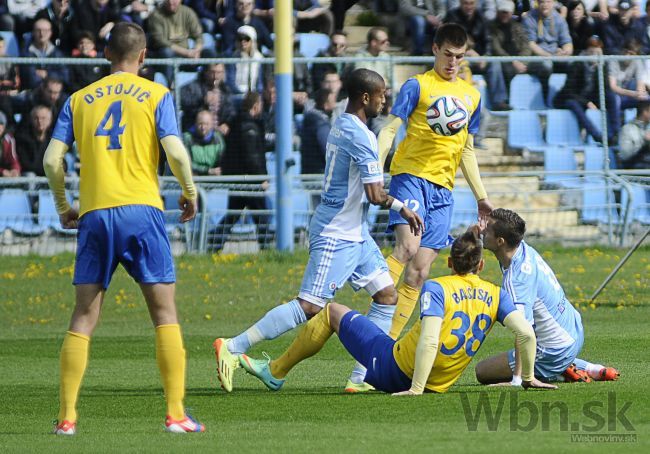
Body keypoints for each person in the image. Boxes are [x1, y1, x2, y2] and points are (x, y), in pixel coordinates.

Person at [212, 69, 424, 393]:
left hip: (356, 232)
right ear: (366, 97)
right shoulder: (362, 136)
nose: (385, 100)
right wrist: (404, 208)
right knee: (309, 306)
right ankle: (234, 346)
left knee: (386, 294)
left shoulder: (341, 121)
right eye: (382, 94)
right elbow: (375, 194)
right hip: (337, 233)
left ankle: (362, 377)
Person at [42, 21, 204, 435]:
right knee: (164, 313)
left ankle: (67, 418)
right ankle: (175, 414)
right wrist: (189, 192)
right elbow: (175, 151)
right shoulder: (156, 94)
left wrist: (64, 207)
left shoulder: (79, 99)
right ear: (144, 55)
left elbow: (50, 160)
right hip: (142, 211)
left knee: (82, 316)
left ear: (105, 54)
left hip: (95, 214)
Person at [239, 227, 557, 394]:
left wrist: (415, 390)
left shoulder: (437, 286)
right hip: (441, 382)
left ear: (448, 263)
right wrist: (527, 377)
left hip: (396, 372)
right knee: (378, 325)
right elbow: (527, 334)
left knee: (332, 311)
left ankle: (276, 372)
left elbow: (430, 340)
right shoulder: (496, 294)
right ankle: (356, 378)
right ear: (482, 264)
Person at [375, 24, 493, 374]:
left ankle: (386, 345)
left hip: (444, 190)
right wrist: (376, 171)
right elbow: (391, 129)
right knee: (408, 249)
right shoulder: (418, 85)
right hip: (410, 176)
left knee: (421, 271)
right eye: (447, 55)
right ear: (435, 50)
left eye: (459, 56)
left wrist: (481, 197)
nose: (453, 62)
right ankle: (374, 283)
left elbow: (467, 150)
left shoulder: (472, 95)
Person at [475, 209, 620, 384]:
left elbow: (524, 332)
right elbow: (506, 227)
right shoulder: (521, 247)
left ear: (500, 241)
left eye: (487, 228)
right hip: (574, 330)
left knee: (482, 372)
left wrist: (517, 379)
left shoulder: (517, 280)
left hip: (554, 350)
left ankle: (556, 371)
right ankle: (592, 369)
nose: (482, 230)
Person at [300, 88, 336, 174]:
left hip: (309, 171)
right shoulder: (321, 124)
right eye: (333, 101)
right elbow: (328, 149)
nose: (335, 104)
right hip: (319, 173)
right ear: (325, 105)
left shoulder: (311, 120)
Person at [183, 110, 226, 176]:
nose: (203, 127)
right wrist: (207, 170)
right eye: (200, 124)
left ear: (211, 124)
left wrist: (216, 170)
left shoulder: (217, 138)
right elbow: (187, 163)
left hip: (214, 177)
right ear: (195, 123)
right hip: (194, 176)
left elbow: (222, 159)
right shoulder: (187, 138)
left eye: (206, 124)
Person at [16, 104, 53, 176]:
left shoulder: (54, 138)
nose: (39, 121)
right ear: (31, 120)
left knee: (72, 175)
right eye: (36, 118)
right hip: (31, 174)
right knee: (30, 175)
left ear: (50, 120)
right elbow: (26, 165)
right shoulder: (22, 138)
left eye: (43, 118)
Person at [618, 100, 650, 169]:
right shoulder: (627, 129)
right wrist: (644, 142)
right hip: (635, 169)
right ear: (645, 112)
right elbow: (625, 156)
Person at [0, 111, 19, 177]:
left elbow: (13, 159)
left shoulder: (9, 139)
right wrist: (2, 172)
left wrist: (15, 170)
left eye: (1, 123)